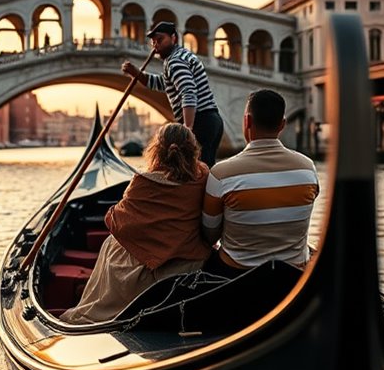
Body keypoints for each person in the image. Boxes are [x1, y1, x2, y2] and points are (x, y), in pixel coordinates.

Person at [60, 123, 211, 324]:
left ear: (157, 150)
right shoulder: (204, 177)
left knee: (110, 243)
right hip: (188, 264)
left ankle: (99, 310)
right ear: (194, 151)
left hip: (145, 274)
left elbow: (116, 221)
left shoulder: (143, 181)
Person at [202, 89, 320, 278]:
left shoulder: (221, 174)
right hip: (293, 276)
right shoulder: (308, 169)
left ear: (247, 121)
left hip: (236, 275)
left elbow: (209, 235)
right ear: (282, 125)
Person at [122, 21, 224, 167]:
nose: (156, 45)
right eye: (154, 41)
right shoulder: (180, 57)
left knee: (194, 171)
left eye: (160, 40)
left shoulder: (175, 61)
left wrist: (187, 130)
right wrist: (136, 73)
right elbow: (161, 84)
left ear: (173, 38)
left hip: (200, 121)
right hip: (210, 120)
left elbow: (188, 92)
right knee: (202, 169)